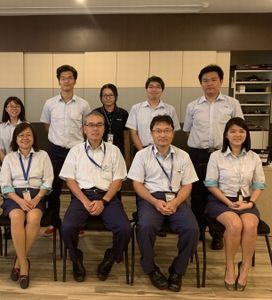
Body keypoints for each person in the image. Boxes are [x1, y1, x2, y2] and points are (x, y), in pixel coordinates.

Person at [128, 115, 199, 292]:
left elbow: (187, 184)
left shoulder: (183, 156)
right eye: (158, 131)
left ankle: (177, 270)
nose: (162, 135)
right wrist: (154, 201)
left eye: (167, 130)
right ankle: (150, 268)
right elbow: (137, 184)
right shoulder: (142, 155)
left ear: (172, 133)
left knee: (192, 229)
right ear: (151, 134)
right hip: (150, 198)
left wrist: (175, 202)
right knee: (144, 226)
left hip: (176, 198)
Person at [60, 111, 131, 282]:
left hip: (107, 197)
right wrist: (85, 201)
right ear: (84, 129)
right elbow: (70, 181)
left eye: (99, 125)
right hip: (82, 196)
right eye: (91, 125)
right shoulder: (75, 151)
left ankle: (111, 258)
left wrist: (104, 201)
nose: (95, 129)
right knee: (67, 227)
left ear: (104, 128)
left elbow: (118, 180)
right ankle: (76, 257)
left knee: (125, 229)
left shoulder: (114, 151)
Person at [183, 64, 244, 250]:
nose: (209, 84)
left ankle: (217, 234)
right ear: (200, 83)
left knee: (219, 194)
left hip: (222, 155)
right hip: (197, 155)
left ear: (221, 82)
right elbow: (187, 131)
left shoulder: (232, 104)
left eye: (213, 80)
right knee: (197, 194)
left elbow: (239, 129)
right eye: (205, 80)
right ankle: (198, 230)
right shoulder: (193, 106)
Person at [204, 117, 265, 291]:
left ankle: (244, 267)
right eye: (233, 131)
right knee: (235, 224)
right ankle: (229, 266)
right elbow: (210, 184)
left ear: (246, 134)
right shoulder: (216, 156)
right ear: (226, 135)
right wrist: (227, 202)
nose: (237, 135)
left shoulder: (253, 157)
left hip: (246, 202)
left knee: (251, 224)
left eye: (241, 131)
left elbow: (259, 185)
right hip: (220, 201)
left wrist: (250, 203)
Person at [0, 122, 53, 289]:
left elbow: (48, 180)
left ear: (34, 138)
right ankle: (24, 266)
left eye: (28, 135)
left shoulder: (42, 155)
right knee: (16, 216)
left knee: (34, 217)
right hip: (14, 196)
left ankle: (18, 262)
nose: (25, 138)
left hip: (37, 195)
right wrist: (20, 200)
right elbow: (5, 185)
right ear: (16, 139)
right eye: (21, 135)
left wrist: (37, 198)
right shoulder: (9, 157)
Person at [40, 64, 91, 236]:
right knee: (53, 189)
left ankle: (78, 223)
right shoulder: (49, 103)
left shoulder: (83, 104)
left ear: (75, 81)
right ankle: (54, 222)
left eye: (70, 77)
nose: (66, 81)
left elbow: (87, 127)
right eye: (63, 78)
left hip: (77, 152)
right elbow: (47, 126)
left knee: (77, 189)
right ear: (58, 81)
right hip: (55, 151)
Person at [126, 76, 180, 151]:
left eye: (158, 87)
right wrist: (142, 152)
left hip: (163, 149)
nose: (154, 90)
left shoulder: (170, 109)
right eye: (151, 87)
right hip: (141, 149)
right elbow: (133, 133)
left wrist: (164, 148)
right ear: (146, 89)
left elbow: (172, 131)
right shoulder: (136, 108)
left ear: (162, 90)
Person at [93, 83, 130, 162]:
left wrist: (127, 158)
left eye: (111, 95)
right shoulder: (95, 113)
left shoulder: (123, 113)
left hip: (118, 152)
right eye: (105, 95)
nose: (108, 98)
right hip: (99, 152)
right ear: (101, 97)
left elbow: (126, 137)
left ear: (116, 97)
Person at [0, 96, 26, 163]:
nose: (14, 109)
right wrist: (6, 165)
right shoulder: (1, 128)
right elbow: (0, 149)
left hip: (25, 162)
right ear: (6, 109)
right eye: (11, 106)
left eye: (17, 106)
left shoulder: (27, 125)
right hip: (7, 163)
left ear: (21, 108)